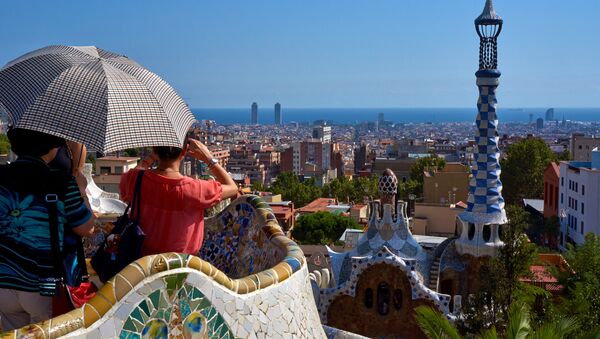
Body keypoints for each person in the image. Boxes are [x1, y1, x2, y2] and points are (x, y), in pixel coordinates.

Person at [0, 128, 95, 331]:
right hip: (43, 285)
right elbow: (86, 227)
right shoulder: (60, 182)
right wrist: (81, 191)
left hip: (4, 280)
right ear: (52, 146)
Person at [119, 139, 238, 256]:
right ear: (184, 151)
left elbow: (134, 175)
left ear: (155, 150)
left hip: (140, 262)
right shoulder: (196, 189)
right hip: (181, 266)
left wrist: (150, 158)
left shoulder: (135, 179)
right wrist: (208, 158)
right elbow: (233, 188)